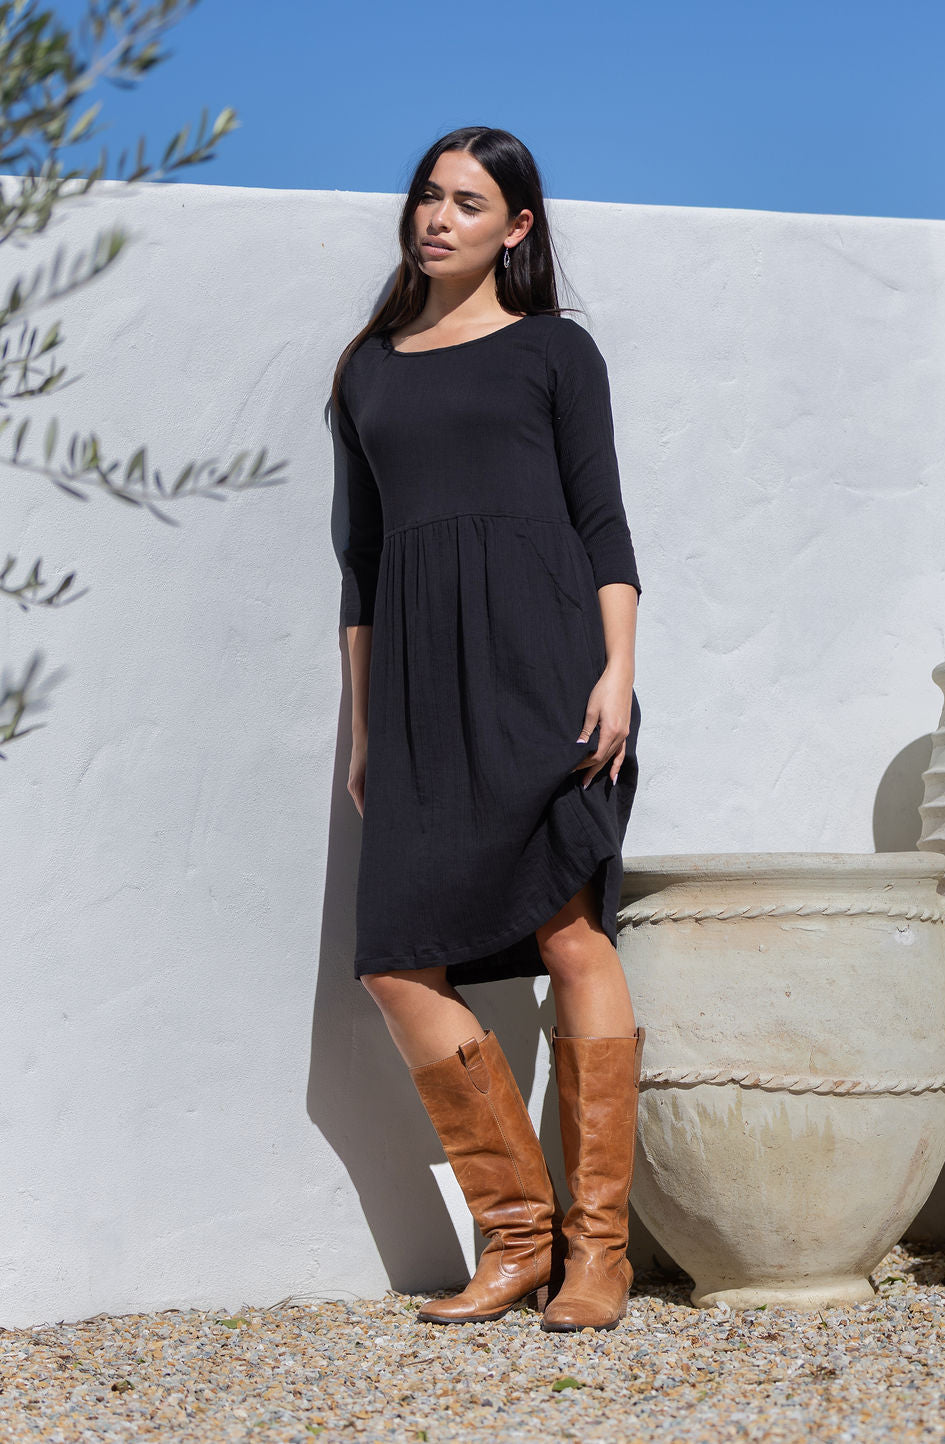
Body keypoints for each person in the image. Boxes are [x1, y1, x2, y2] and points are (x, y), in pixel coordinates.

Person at [330, 125, 645, 1333]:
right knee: (395, 962)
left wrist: (616, 670)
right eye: (426, 194)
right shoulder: (369, 368)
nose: (436, 216)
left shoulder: (555, 352)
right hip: (415, 693)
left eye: (467, 201)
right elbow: (359, 568)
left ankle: (597, 1252)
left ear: (517, 228)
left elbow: (601, 522)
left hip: (547, 668)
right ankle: (518, 1234)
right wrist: (366, 729)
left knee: (566, 930)